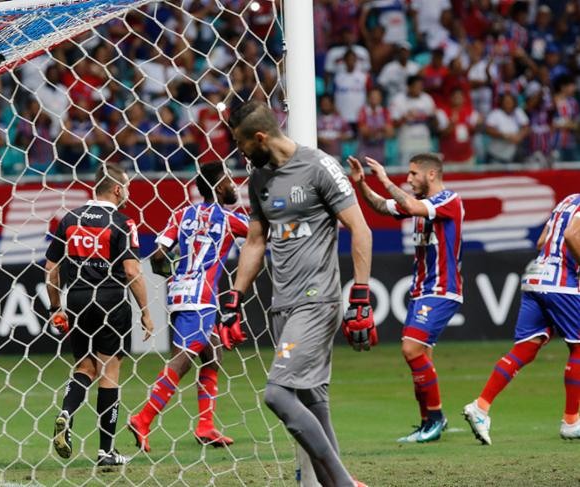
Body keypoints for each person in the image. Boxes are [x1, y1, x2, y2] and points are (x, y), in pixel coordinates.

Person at [222, 100, 375, 487]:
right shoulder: (259, 179)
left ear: (260, 137)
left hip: (316, 299)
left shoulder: (319, 166)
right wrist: (235, 296)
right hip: (282, 306)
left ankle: (343, 483)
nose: (239, 153)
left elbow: (360, 229)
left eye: (241, 143)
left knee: (277, 394)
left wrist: (360, 294)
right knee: (312, 401)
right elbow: (256, 241)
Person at [127, 162, 248, 452]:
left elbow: (156, 256)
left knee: (212, 352)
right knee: (185, 357)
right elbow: (259, 234)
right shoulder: (229, 219)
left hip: (180, 293)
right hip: (202, 297)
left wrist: (178, 277)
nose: (234, 185)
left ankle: (206, 426)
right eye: (229, 181)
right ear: (219, 187)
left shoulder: (181, 215)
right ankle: (142, 419)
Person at [348, 153, 463, 443]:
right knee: (421, 357)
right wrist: (362, 184)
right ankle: (428, 422)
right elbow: (381, 207)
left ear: (432, 175)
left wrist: (385, 179)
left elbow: (408, 204)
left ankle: (435, 419)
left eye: (414, 174)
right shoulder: (421, 206)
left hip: (441, 290)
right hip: (420, 290)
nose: (409, 179)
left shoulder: (448, 200)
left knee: (410, 350)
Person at [45, 163, 155, 466]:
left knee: (85, 368)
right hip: (110, 299)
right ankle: (106, 451)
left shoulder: (69, 219)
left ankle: (66, 412)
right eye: (128, 187)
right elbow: (132, 271)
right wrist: (146, 311)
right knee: (109, 372)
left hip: (77, 299)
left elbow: (51, 269)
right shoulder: (123, 222)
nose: (129, 193)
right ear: (117, 189)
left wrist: (57, 308)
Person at [463, 193, 580, 445]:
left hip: (535, 277)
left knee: (526, 347)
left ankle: (480, 407)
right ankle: (571, 421)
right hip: (560, 283)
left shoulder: (568, 200)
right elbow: (571, 236)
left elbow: (541, 242)